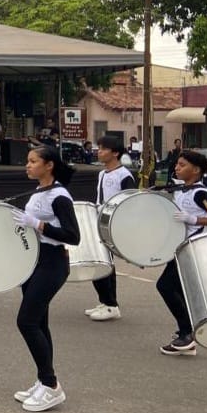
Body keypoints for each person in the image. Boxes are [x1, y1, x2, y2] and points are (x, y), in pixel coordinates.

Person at [10, 145, 81, 412]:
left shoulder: (60, 196)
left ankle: (52, 386)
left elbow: (74, 237)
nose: (27, 165)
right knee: (39, 322)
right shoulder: (40, 191)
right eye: (27, 161)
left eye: (32, 161)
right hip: (34, 261)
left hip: (53, 263)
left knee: (26, 321)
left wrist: (38, 224)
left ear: (48, 165)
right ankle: (44, 380)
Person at [157, 150, 207, 356]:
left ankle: (188, 333)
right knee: (179, 291)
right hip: (179, 247)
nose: (177, 168)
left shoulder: (200, 193)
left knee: (165, 286)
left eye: (182, 165)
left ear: (196, 170)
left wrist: (194, 219)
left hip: (192, 248)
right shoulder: (182, 190)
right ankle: (186, 334)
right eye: (177, 165)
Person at [85, 136, 136, 322]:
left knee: (104, 262)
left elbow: (130, 200)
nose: (99, 151)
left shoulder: (124, 175)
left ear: (115, 153)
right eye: (99, 148)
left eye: (104, 148)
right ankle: (105, 301)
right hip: (101, 220)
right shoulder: (102, 173)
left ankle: (111, 304)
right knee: (99, 260)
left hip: (114, 223)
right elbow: (100, 198)